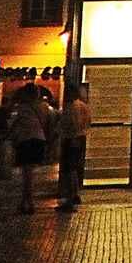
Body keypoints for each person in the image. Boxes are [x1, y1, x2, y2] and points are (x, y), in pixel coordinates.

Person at [2, 83, 57, 214]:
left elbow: (13, 124)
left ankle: (27, 202)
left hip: (25, 140)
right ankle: (27, 202)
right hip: (38, 140)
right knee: (29, 174)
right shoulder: (44, 107)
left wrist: (6, 136)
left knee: (26, 175)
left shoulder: (21, 108)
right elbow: (50, 121)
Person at [56, 82, 92, 210]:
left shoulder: (72, 107)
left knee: (69, 168)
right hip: (80, 137)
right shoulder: (84, 106)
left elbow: (72, 122)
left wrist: (63, 131)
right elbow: (88, 121)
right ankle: (75, 194)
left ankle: (70, 197)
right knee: (74, 168)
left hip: (72, 138)